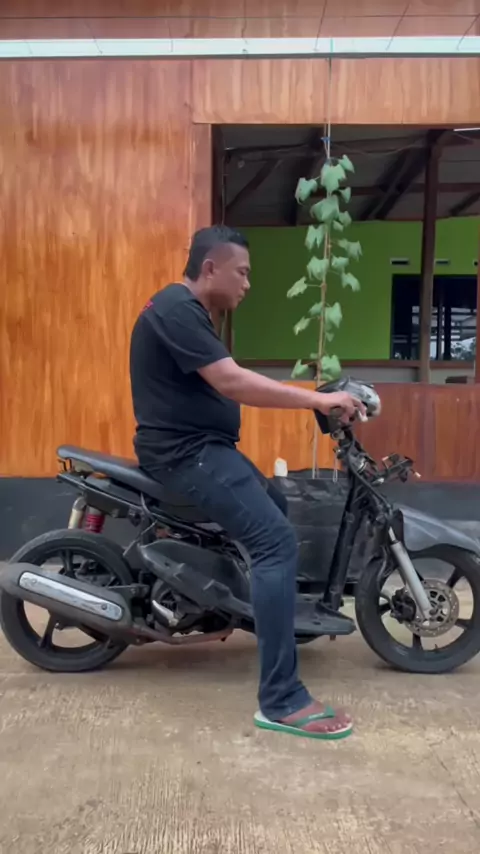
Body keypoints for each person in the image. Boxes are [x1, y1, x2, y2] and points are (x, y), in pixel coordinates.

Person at [130, 225, 364, 740]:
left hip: (206, 449)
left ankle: (256, 611)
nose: (248, 284)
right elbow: (231, 380)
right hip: (186, 454)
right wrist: (316, 399)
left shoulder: (189, 313)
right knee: (274, 542)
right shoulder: (177, 309)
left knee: (276, 505)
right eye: (242, 272)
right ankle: (281, 700)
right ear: (210, 268)